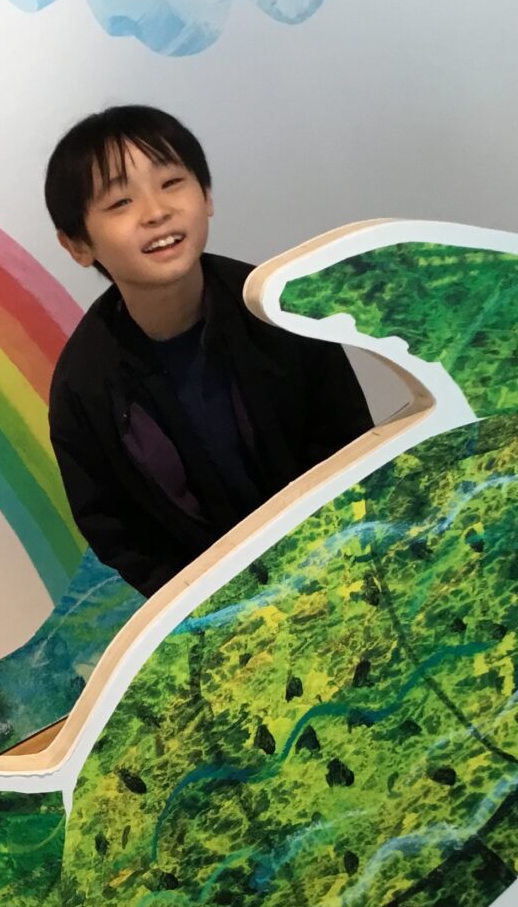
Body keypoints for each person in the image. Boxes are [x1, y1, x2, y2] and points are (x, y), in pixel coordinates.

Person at [44, 104, 373, 596]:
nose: (156, 211)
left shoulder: (278, 310)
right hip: (222, 607)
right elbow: (116, 529)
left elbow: (347, 437)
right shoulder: (83, 386)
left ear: (207, 195)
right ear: (77, 245)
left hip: (344, 554)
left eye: (171, 182)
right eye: (120, 202)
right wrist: (208, 605)